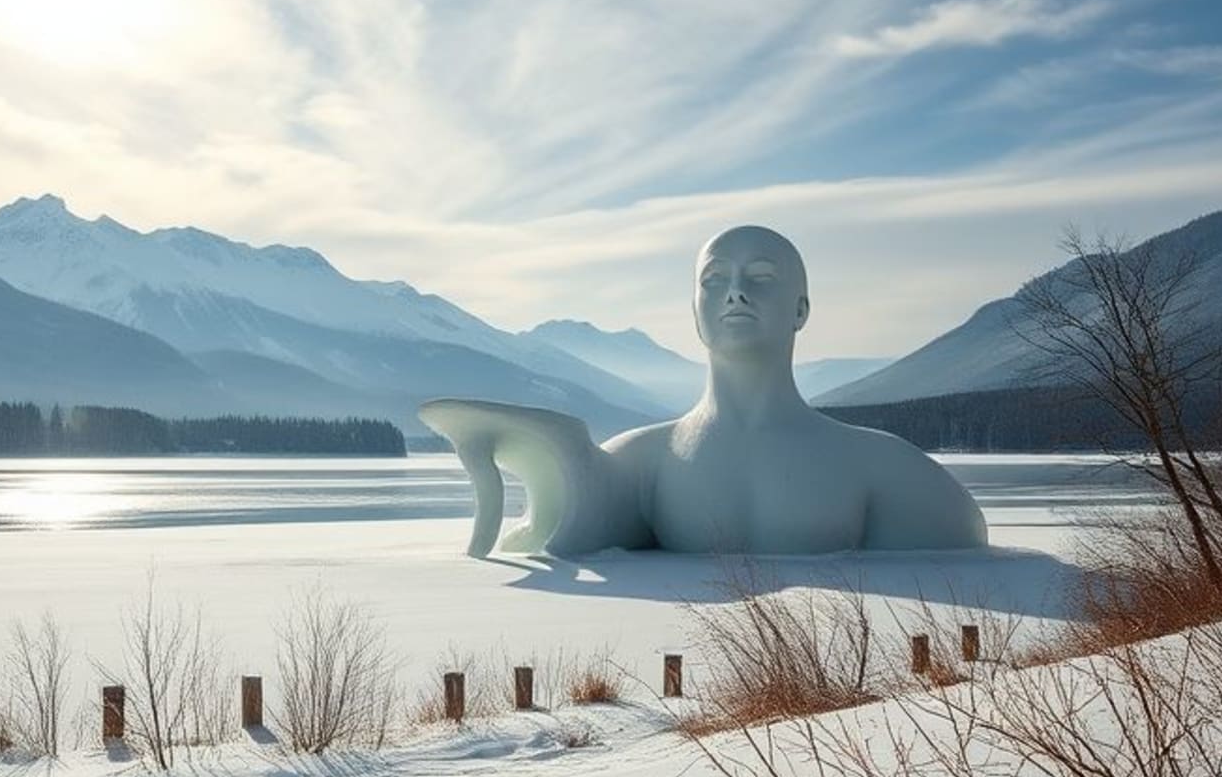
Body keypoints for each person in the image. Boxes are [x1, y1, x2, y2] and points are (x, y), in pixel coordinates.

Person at [421, 226, 987, 556]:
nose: (735, 293)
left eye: (761, 278)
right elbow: (565, 528)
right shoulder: (644, 463)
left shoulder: (884, 469)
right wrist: (536, 461)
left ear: (801, 309)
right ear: (694, 313)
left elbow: (960, 551)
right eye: (715, 281)